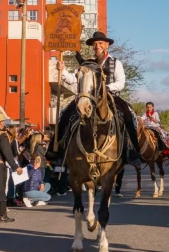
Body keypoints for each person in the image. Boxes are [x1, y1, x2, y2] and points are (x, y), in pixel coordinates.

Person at [52, 30, 142, 165]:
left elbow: (120, 83)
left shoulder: (116, 63)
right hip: (88, 97)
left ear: (107, 45)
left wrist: (106, 88)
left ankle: (134, 151)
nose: (97, 46)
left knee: (129, 115)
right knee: (65, 114)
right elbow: (72, 79)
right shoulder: (87, 64)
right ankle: (57, 152)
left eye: (100, 43)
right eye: (94, 44)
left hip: (110, 97)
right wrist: (62, 70)